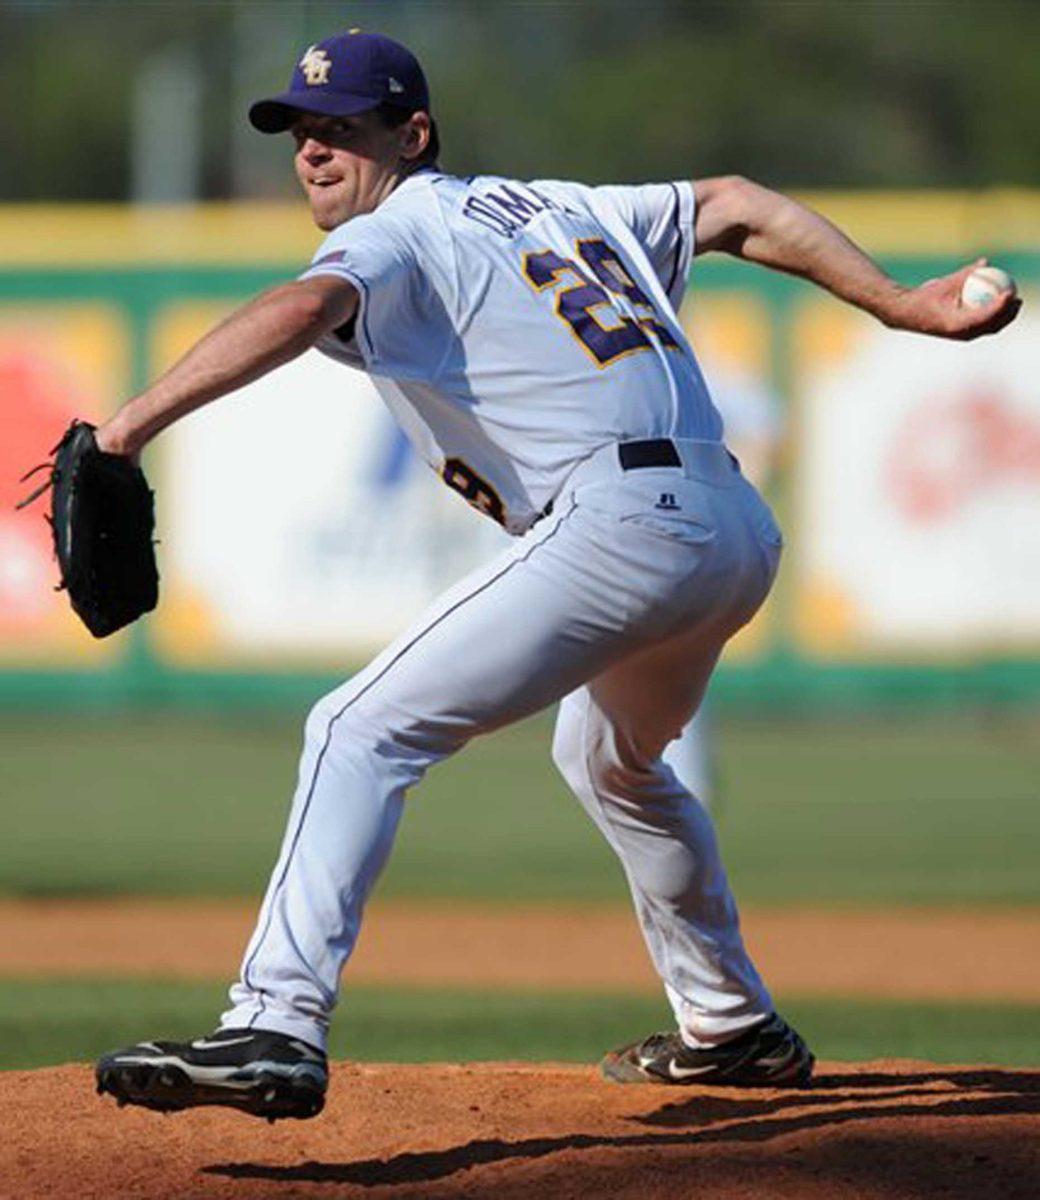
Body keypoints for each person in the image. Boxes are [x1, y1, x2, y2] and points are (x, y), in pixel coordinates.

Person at [93, 30, 1020, 1121]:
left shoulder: (401, 226)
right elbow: (733, 202)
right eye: (300, 131)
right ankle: (729, 1027)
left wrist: (123, 430)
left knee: (356, 729)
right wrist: (897, 303)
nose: (312, 150)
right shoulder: (564, 203)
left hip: (618, 521)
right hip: (725, 527)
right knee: (609, 761)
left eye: (342, 126)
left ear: (412, 133)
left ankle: (275, 1023)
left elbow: (301, 311)